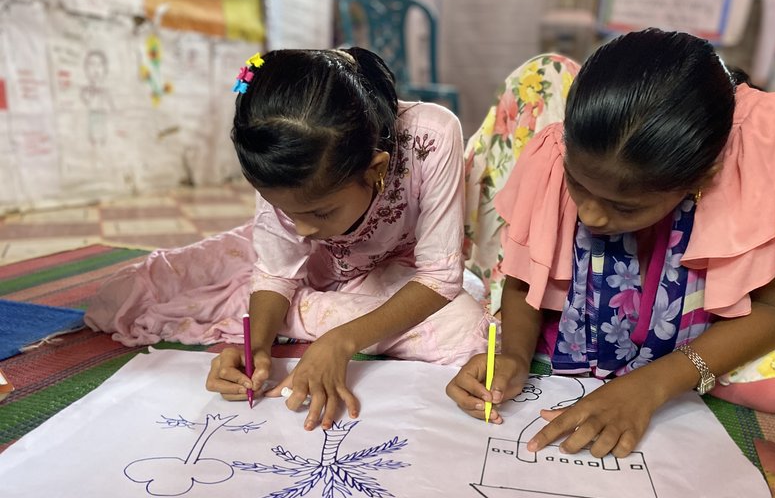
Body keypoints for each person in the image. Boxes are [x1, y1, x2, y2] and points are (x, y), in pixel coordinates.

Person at [447, 29, 775, 458]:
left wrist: (651, 385)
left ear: (700, 181)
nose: (591, 216)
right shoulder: (558, 151)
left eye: (625, 208)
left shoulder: (759, 153)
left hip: (712, 319)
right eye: (578, 186)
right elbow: (522, 279)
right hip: (595, 318)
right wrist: (513, 355)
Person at [86, 48, 488, 430]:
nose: (302, 229)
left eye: (320, 212)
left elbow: (438, 277)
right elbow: (277, 271)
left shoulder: (432, 135)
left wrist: (341, 341)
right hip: (303, 266)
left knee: (466, 326)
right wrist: (256, 347)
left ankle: (295, 316)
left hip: (391, 271)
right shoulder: (286, 152)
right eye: (284, 210)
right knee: (127, 295)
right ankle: (292, 316)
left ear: (377, 169)